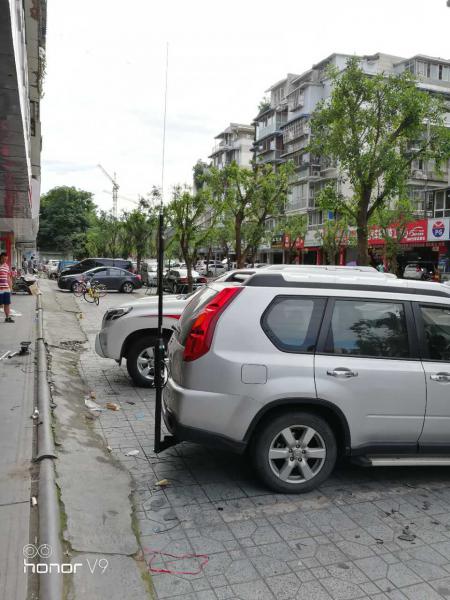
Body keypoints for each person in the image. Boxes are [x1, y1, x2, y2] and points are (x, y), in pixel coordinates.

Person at [0, 252, 14, 323]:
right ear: (1, 258)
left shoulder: (6, 266)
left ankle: (7, 318)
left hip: (6, 288)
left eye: (6, 259)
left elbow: (9, 278)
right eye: (4, 259)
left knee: (7, 303)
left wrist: (11, 288)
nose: (5, 260)